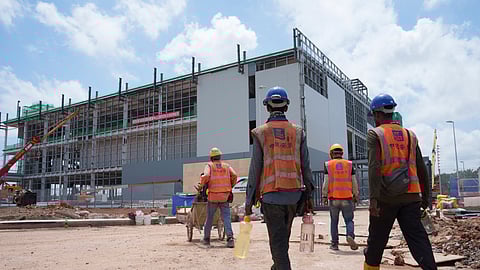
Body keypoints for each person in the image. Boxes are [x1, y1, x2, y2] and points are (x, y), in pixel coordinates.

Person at [363, 94, 436, 270]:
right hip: (411, 197)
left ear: (378, 115)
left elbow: (373, 167)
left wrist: (373, 200)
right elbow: (422, 168)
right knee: (418, 240)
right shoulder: (410, 136)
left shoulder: (376, 134)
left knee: (376, 243)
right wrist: (426, 198)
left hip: (385, 198)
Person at [245, 86, 314, 270]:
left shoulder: (260, 132)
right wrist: (309, 195)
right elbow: (306, 166)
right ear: (286, 107)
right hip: (293, 196)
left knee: (278, 243)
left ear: (267, 106)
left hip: (271, 196)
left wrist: (248, 199)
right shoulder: (298, 132)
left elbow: (255, 168)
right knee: (282, 240)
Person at [322, 143, 359, 251]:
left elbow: (326, 182)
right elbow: (354, 181)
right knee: (349, 220)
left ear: (331, 154)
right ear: (342, 153)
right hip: (347, 198)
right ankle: (350, 236)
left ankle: (334, 244)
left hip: (333, 198)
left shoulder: (328, 165)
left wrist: (324, 196)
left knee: (334, 221)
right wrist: (355, 194)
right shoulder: (349, 164)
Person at [200, 147, 238, 248]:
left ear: (211, 157)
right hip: (224, 196)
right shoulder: (226, 166)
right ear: (220, 156)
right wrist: (230, 185)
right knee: (226, 217)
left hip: (213, 196)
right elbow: (234, 175)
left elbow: (206, 175)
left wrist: (202, 184)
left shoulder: (209, 165)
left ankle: (206, 239)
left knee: (209, 218)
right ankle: (230, 239)